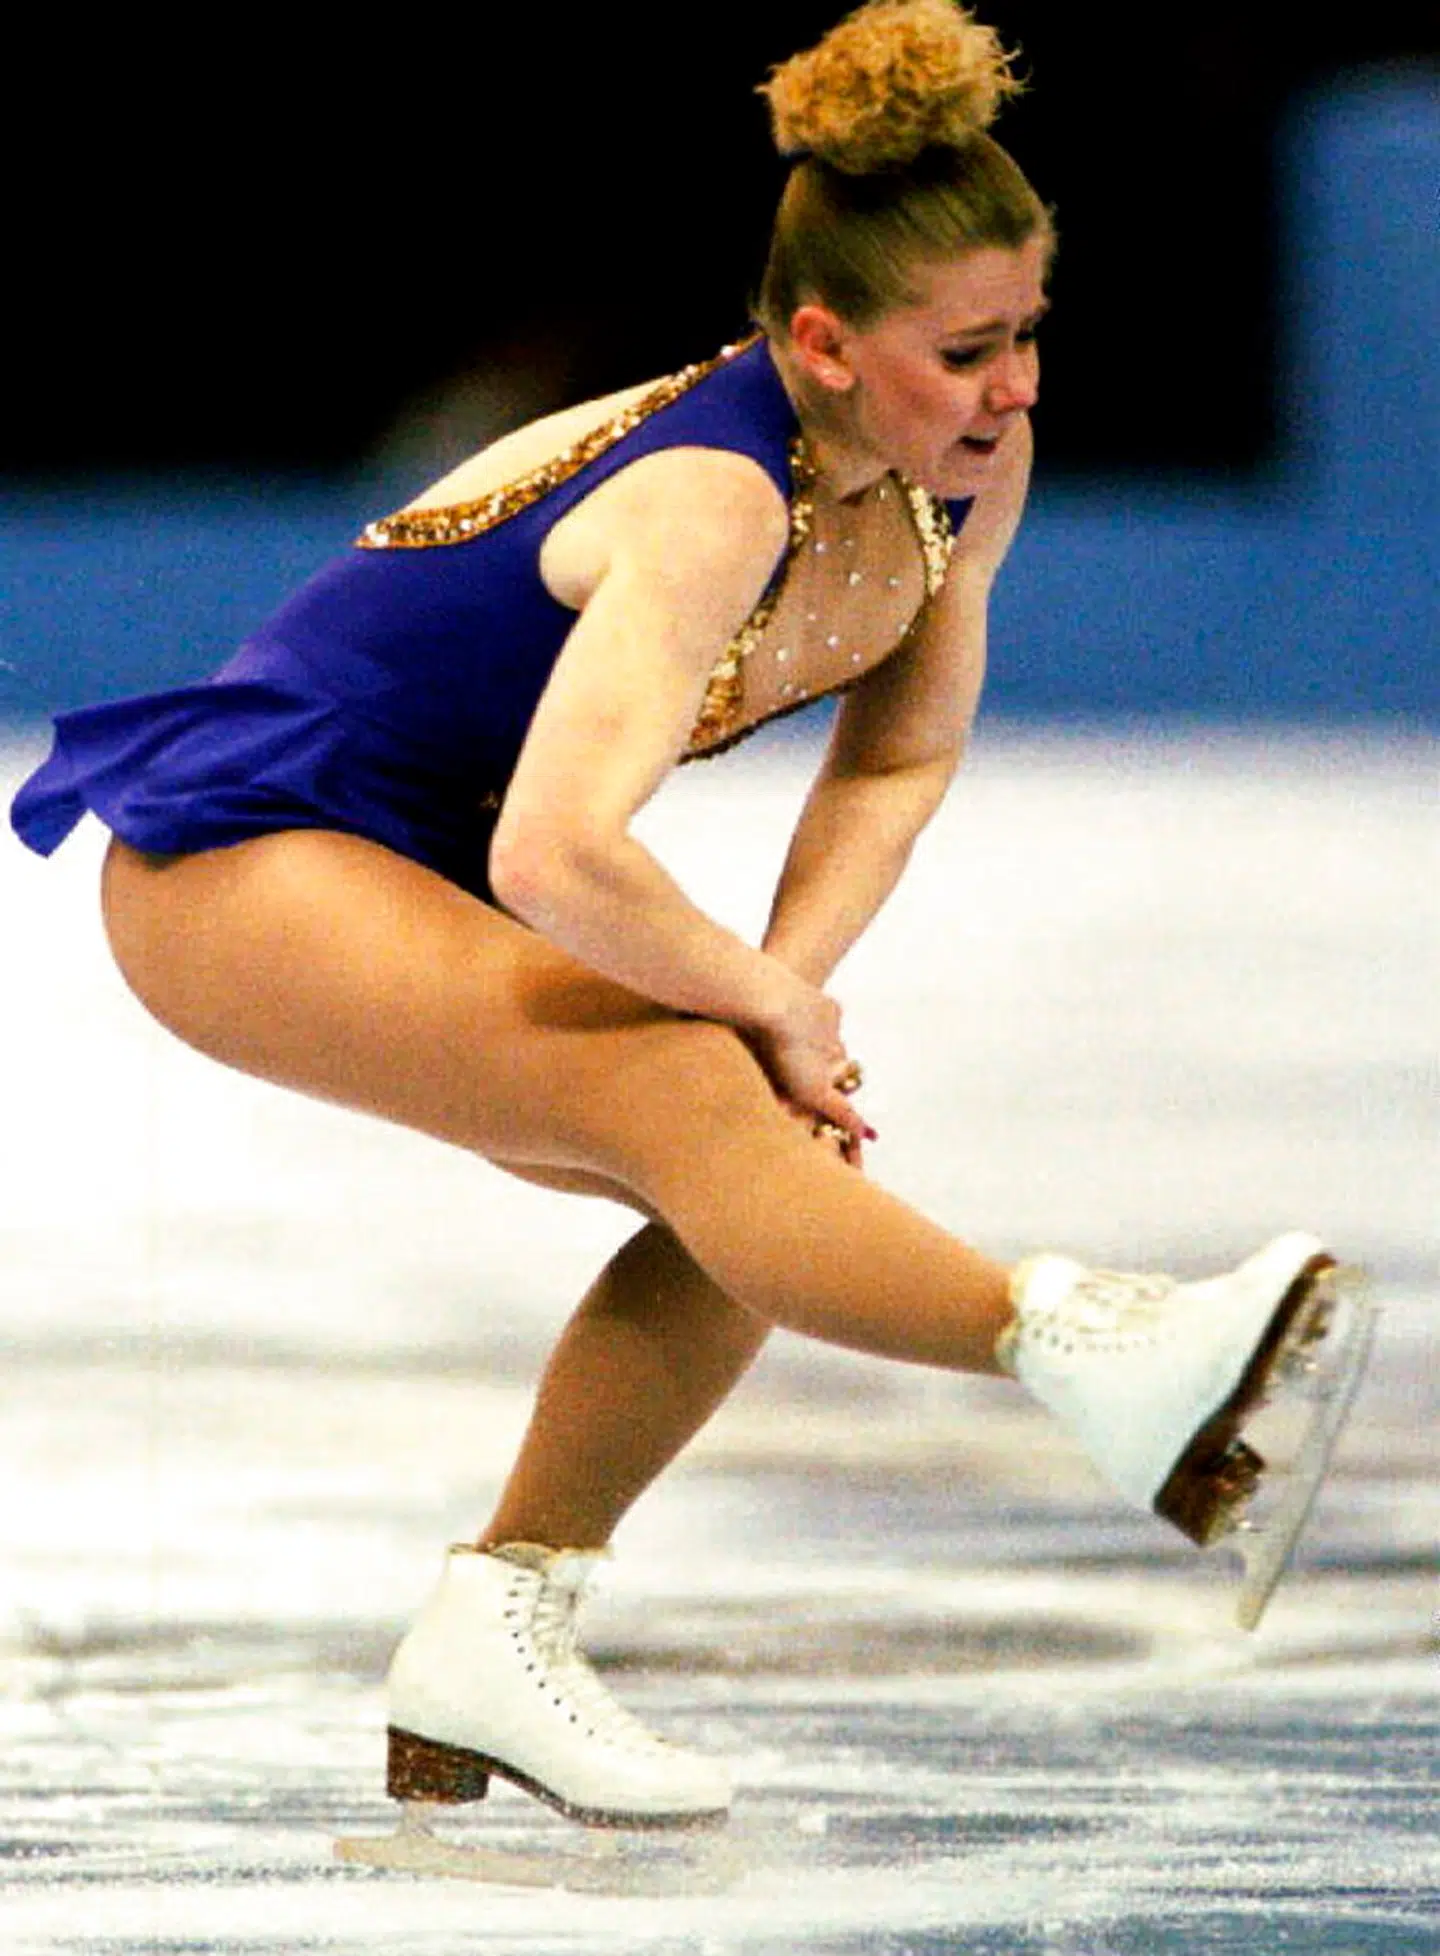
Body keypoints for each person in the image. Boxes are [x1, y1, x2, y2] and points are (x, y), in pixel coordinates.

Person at [10, 0, 1365, 1835]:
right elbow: (558, 855)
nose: (1015, 385)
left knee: (751, 1148)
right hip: (245, 857)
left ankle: (503, 1625)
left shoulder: (963, 474)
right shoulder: (715, 500)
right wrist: (751, 1013)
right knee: (710, 1097)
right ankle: (1101, 1352)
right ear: (820, 344)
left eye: (1031, 332)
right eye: (966, 349)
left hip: (417, 853)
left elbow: (893, 765)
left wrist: (778, 1003)